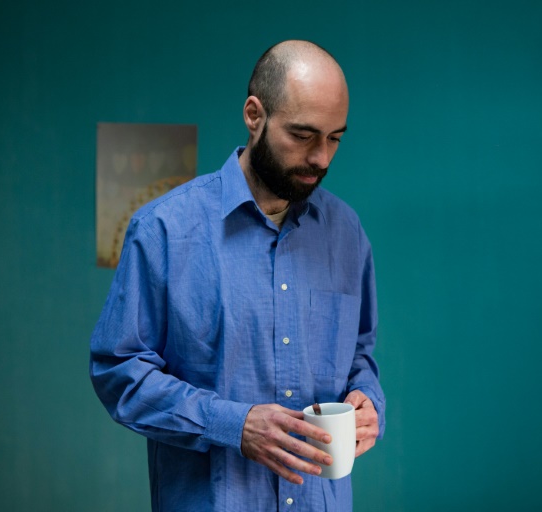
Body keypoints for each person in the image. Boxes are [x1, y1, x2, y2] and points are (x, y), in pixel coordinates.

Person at [90, 39, 386, 512]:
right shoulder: (164, 230)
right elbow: (119, 372)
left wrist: (368, 401)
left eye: (335, 138)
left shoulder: (346, 233)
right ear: (254, 115)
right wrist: (232, 424)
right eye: (303, 135)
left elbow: (358, 356)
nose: (321, 158)